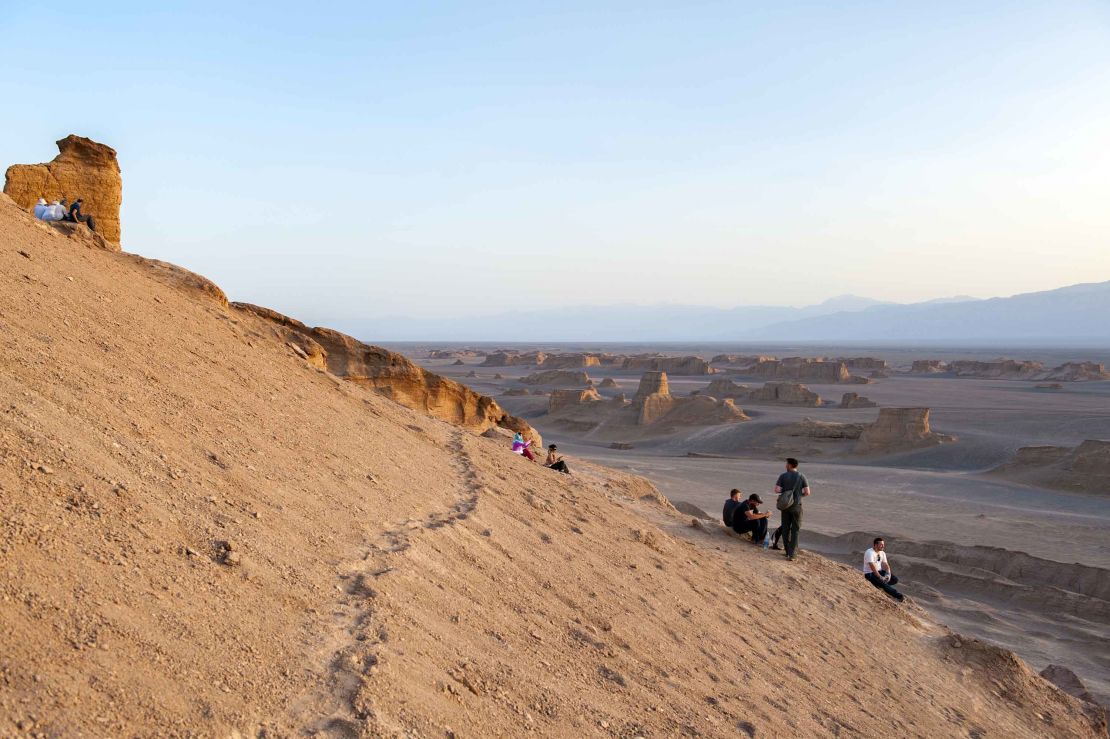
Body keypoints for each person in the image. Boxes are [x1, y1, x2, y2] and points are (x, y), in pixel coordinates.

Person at [773, 457, 810, 561]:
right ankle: (792, 554)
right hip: (797, 506)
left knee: (785, 528)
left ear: (790, 465)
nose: (785, 466)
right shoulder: (802, 476)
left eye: (786, 464)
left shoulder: (783, 476)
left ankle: (787, 551)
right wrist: (798, 496)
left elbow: (776, 490)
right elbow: (807, 492)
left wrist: (786, 494)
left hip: (785, 506)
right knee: (795, 530)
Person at [863, 537, 904, 601]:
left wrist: (888, 574)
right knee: (883, 583)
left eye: (883, 544)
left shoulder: (882, 553)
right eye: (881, 544)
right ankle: (898, 596)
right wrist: (880, 577)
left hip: (879, 571)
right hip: (870, 573)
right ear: (875, 545)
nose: (883, 546)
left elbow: (886, 564)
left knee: (894, 579)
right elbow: (872, 566)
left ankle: (879, 585)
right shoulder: (869, 552)